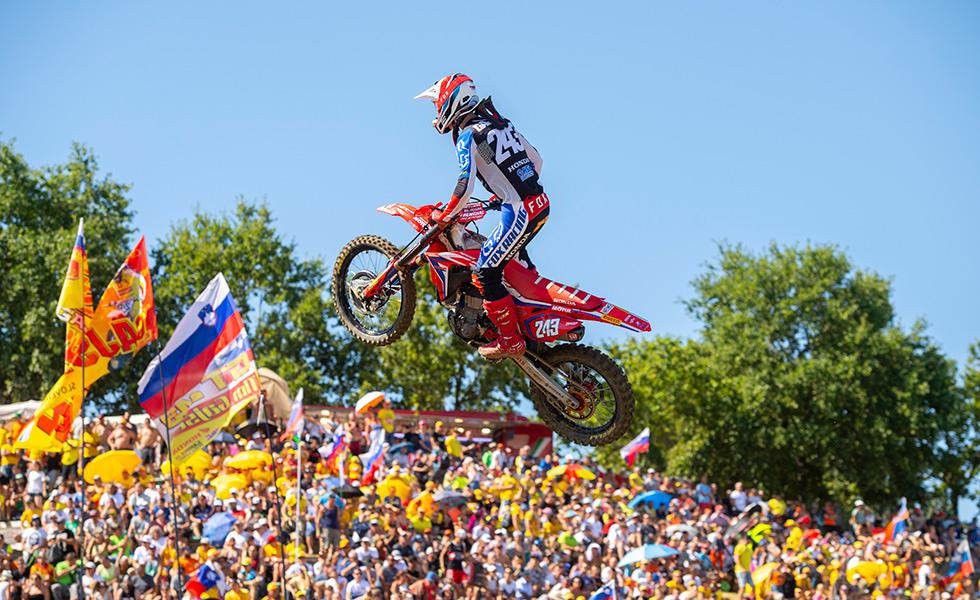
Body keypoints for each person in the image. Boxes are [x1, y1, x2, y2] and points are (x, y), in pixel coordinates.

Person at [415, 73, 548, 359]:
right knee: (515, 263)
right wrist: (508, 190)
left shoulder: (467, 136)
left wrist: (447, 215)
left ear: (450, 101)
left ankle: (510, 339)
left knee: (486, 271)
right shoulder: (499, 125)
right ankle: (531, 318)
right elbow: (535, 160)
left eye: (438, 105)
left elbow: (464, 186)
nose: (438, 113)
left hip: (520, 210)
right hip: (539, 202)